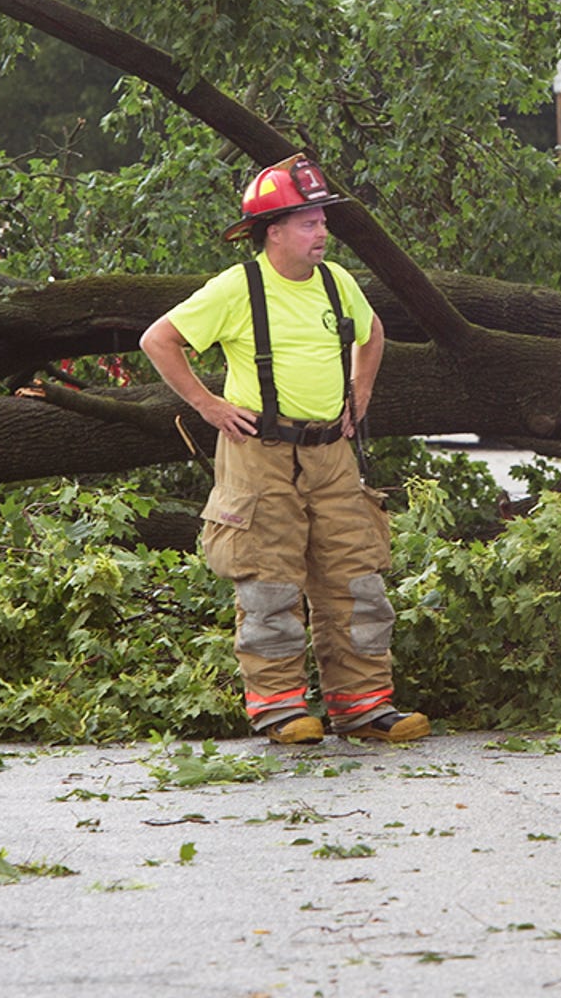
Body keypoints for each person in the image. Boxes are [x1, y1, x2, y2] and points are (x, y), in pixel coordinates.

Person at [141, 154, 426, 746]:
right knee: (268, 582)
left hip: (331, 454)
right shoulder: (236, 287)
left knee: (357, 577)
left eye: (322, 221)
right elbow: (159, 340)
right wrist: (209, 406)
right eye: (308, 222)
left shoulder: (336, 281)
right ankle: (278, 708)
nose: (322, 231)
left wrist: (360, 390)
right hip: (259, 453)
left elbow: (372, 334)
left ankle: (365, 707)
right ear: (273, 231)